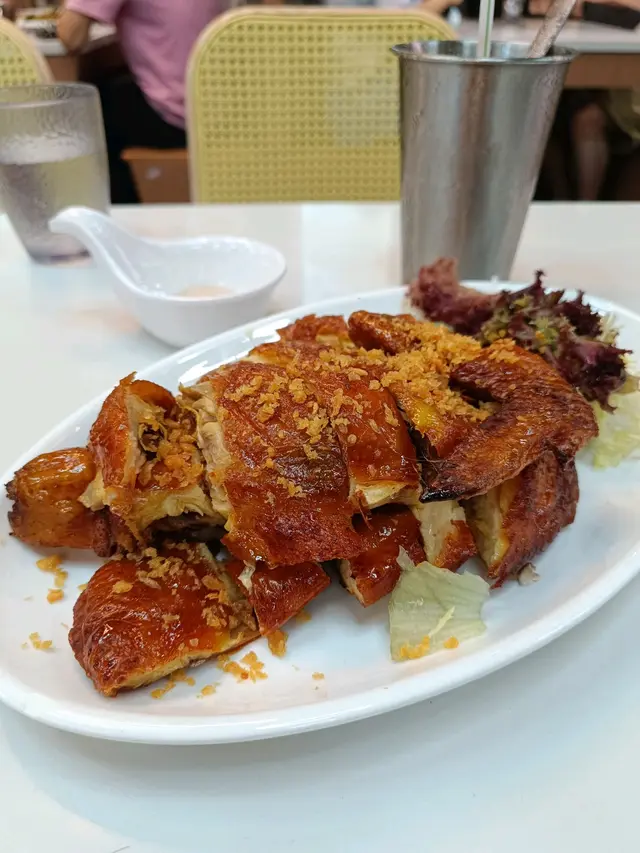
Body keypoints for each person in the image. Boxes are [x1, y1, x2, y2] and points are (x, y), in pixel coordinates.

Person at [57, 1, 228, 203]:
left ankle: (119, 211)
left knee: (82, 110)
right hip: (217, 107)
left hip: (174, 114)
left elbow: (71, 36)